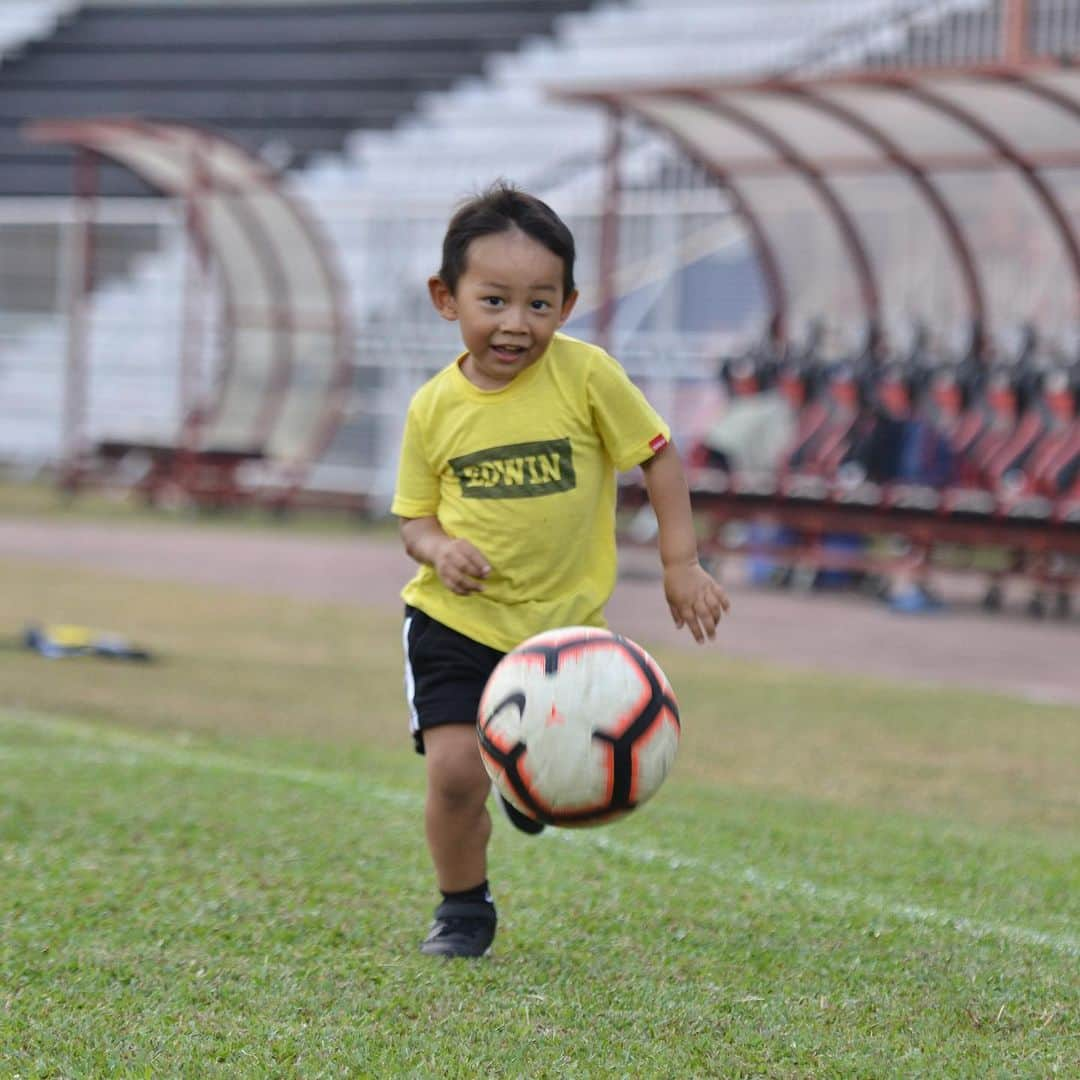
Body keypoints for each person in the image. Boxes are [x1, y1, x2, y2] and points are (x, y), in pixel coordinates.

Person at [392, 181, 731, 958]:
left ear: (568, 305)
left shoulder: (586, 377)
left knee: (520, 767)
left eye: (539, 305)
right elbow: (414, 520)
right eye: (495, 300)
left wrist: (681, 563)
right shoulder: (432, 408)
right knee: (452, 773)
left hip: (564, 635)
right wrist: (441, 549)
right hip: (455, 621)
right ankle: (463, 908)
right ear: (448, 299)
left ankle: (529, 781)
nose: (517, 324)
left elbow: (658, 456)